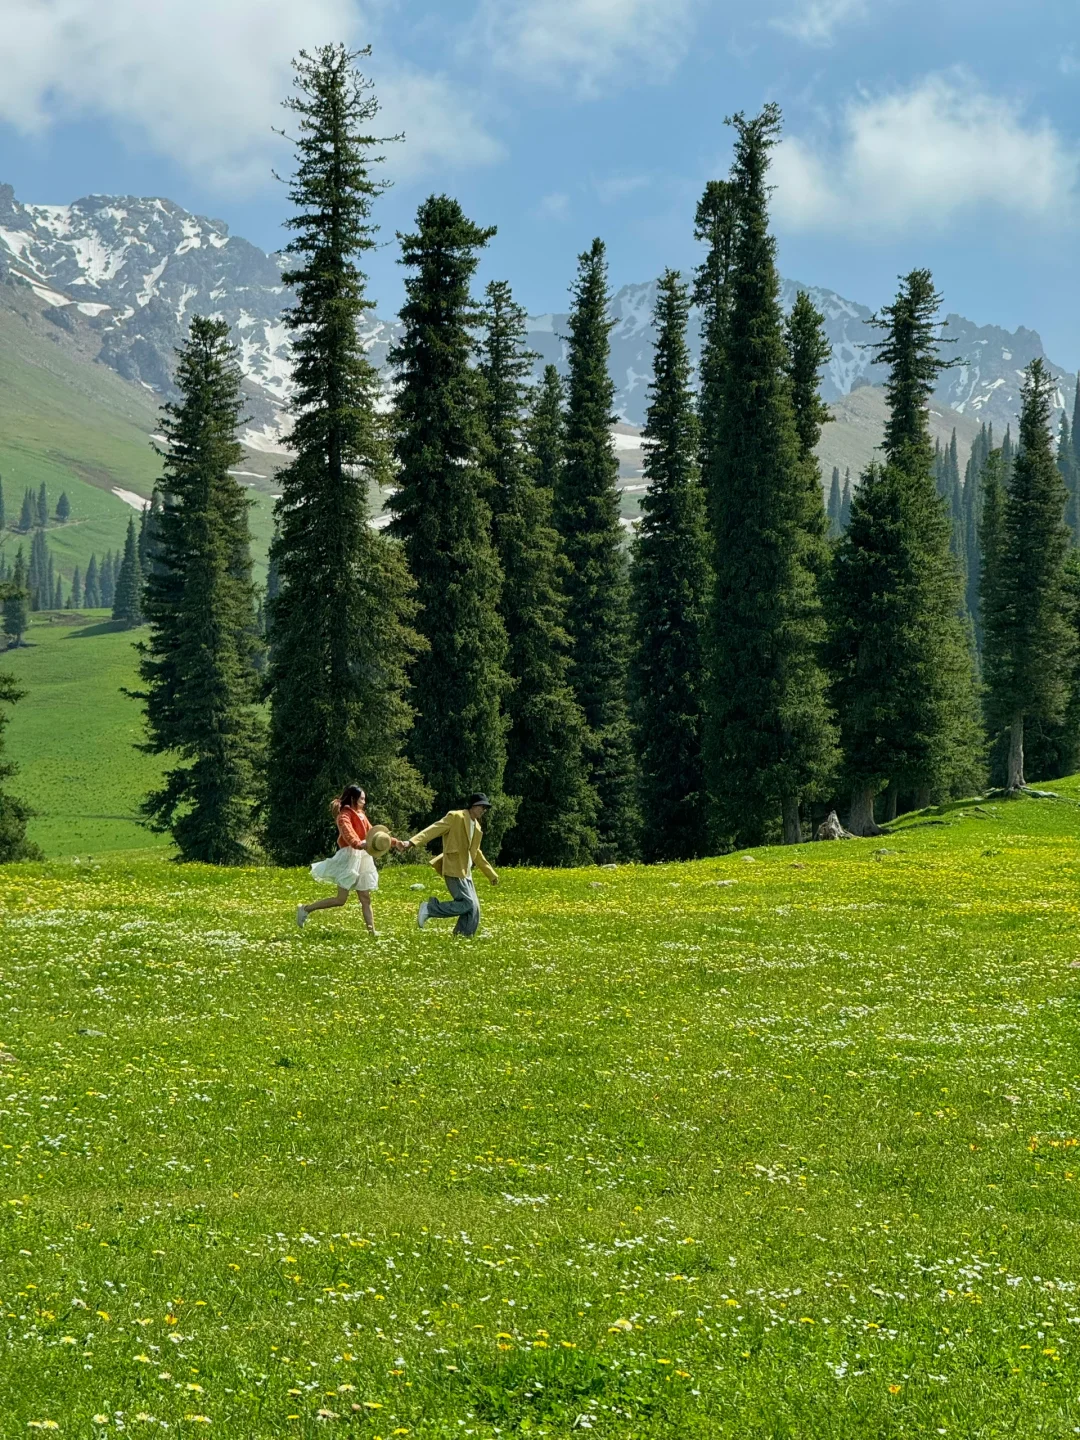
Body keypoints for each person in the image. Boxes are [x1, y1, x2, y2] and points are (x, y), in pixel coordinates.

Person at [399, 793, 499, 937]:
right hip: (453, 868)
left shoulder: (477, 826)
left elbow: (476, 852)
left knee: (474, 909)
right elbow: (434, 829)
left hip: (466, 872)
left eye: (485, 807)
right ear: (473, 805)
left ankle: (461, 938)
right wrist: (411, 842)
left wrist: (490, 874)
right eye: (482, 806)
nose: (484, 810)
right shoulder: (456, 817)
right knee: (468, 904)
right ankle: (429, 909)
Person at [296, 785, 391, 936]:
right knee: (341, 899)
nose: (364, 802)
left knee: (365, 898)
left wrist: (392, 841)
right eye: (361, 799)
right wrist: (358, 843)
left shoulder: (361, 814)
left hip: (363, 857)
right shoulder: (344, 815)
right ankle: (305, 909)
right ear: (353, 798)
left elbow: (374, 833)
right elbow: (348, 833)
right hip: (350, 857)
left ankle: (372, 932)